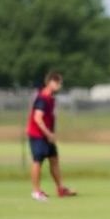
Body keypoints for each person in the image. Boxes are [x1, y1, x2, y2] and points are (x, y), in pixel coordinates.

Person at [26, 71, 77, 201]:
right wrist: (48, 133)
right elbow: (38, 118)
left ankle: (60, 189)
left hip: (47, 136)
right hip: (38, 135)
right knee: (38, 161)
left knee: (54, 160)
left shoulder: (50, 98)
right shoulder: (42, 98)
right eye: (58, 83)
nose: (60, 85)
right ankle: (36, 192)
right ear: (50, 82)